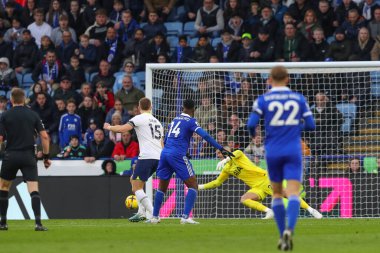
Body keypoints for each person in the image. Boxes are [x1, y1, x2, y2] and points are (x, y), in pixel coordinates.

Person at [247, 66, 316, 250]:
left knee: (277, 193)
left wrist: (255, 134)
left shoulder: (263, 99)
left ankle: (281, 233)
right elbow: (311, 125)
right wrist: (293, 128)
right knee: (293, 193)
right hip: (293, 149)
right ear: (287, 79)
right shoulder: (298, 98)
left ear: (270, 79)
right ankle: (290, 230)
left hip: (273, 150)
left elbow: (251, 123)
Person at [148, 99, 233, 224]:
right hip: (176, 154)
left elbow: (166, 139)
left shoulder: (175, 120)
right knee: (193, 185)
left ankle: (155, 217)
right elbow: (206, 136)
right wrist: (220, 148)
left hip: (165, 153)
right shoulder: (191, 121)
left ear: (183, 107)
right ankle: (185, 217)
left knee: (162, 187)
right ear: (193, 109)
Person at [199, 147, 322, 219]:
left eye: (220, 153)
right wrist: (200, 187)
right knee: (244, 199)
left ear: (226, 152)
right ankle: (269, 211)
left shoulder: (238, 155)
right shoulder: (226, 169)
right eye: (218, 154)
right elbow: (217, 182)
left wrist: (226, 159)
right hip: (257, 187)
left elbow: (237, 153)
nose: (218, 155)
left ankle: (311, 210)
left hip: (265, 179)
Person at [104, 98, 163, 222]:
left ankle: (154, 214)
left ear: (139, 107)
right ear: (151, 107)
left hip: (147, 157)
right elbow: (162, 143)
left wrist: (109, 127)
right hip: (159, 157)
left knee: (136, 188)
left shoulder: (139, 118)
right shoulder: (157, 122)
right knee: (133, 179)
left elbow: (122, 129)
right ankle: (141, 212)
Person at [0, 87, 51, 231]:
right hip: (28, 156)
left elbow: (0, 138)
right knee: (33, 190)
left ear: (11, 100)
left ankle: (3, 223)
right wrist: (46, 157)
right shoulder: (33, 115)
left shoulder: (5, 115)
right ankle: (38, 224)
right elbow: (45, 137)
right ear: (24, 99)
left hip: (10, 155)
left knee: (3, 187)